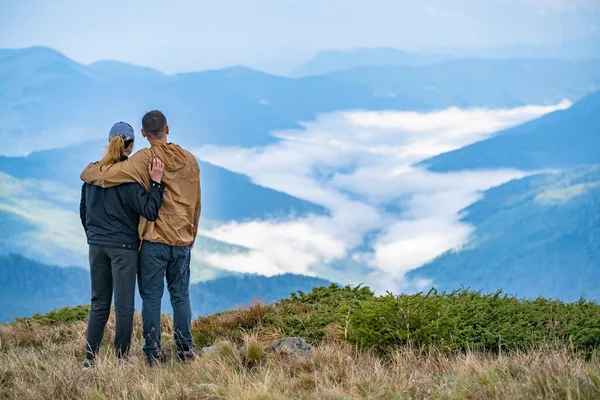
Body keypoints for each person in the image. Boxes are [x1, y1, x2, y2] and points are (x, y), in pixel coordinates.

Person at [80, 111, 201, 365]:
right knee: (180, 295)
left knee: (151, 298)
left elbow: (107, 175)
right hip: (181, 239)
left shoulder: (144, 159)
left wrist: (88, 172)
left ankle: (153, 353)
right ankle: (185, 350)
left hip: (154, 240)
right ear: (167, 129)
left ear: (144, 134)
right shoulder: (190, 160)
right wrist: (192, 232)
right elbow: (195, 201)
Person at [79, 121, 166, 369]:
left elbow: (84, 211)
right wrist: (157, 183)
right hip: (124, 248)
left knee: (99, 303)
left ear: (110, 143)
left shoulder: (93, 173)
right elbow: (149, 211)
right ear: (131, 145)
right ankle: (121, 358)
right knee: (124, 305)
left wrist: (93, 236)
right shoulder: (129, 178)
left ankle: (90, 359)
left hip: (96, 245)